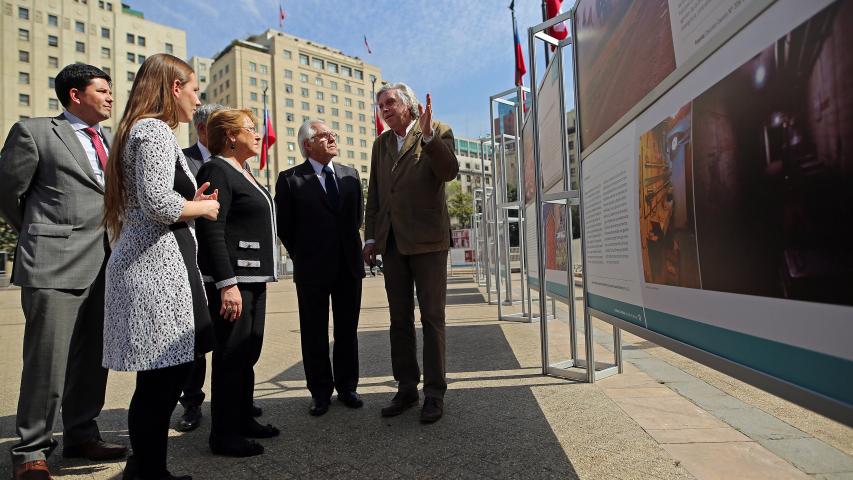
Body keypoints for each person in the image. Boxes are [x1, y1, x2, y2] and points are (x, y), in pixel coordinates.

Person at [0, 63, 127, 480]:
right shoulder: (33, 132)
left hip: (105, 264)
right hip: (53, 264)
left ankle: (80, 434)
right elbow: (9, 196)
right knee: (47, 362)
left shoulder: (110, 140)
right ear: (75, 94)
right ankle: (30, 451)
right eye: (103, 90)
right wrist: (44, 237)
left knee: (94, 359)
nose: (111, 96)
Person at [102, 53, 218, 480]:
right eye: (193, 89)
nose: (196, 98)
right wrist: (201, 208)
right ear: (173, 87)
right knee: (162, 380)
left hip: (153, 263)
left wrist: (191, 202)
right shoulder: (153, 130)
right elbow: (157, 203)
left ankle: (144, 468)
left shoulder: (138, 130)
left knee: (162, 378)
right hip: (155, 269)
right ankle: (148, 472)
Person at [363, 83, 458, 424]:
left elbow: (448, 172)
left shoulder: (437, 131)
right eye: (380, 105)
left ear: (408, 105)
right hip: (392, 244)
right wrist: (370, 238)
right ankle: (406, 389)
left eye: (389, 102)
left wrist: (430, 138)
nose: (384, 109)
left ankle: (435, 393)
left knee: (432, 318)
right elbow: (374, 193)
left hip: (429, 242)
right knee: (398, 320)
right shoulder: (381, 144)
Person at [196, 109, 278, 457]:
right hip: (234, 280)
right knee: (231, 355)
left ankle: (244, 418)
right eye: (250, 129)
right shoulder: (217, 168)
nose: (257, 135)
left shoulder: (245, 171)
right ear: (230, 136)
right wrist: (226, 283)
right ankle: (224, 434)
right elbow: (212, 227)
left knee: (248, 352)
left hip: (254, 278)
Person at [275, 119, 365, 417]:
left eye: (332, 134)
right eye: (324, 135)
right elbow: (284, 228)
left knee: (347, 330)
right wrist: (304, 256)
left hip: (348, 267)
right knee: (314, 332)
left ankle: (347, 386)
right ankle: (320, 392)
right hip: (312, 269)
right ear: (307, 145)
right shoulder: (290, 179)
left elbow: (356, 220)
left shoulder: (350, 176)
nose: (331, 138)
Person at [175, 102, 225, 433]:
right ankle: (192, 402)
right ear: (204, 129)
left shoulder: (235, 162)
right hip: (192, 261)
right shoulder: (182, 159)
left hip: (224, 262)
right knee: (195, 338)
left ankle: (232, 396)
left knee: (228, 336)